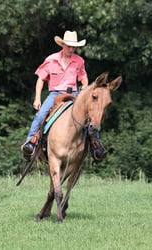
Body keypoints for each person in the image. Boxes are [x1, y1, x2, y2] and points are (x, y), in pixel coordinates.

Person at [21, 30, 107, 161]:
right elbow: (40, 79)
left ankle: (96, 145)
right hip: (55, 93)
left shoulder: (79, 61)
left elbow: (84, 78)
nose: (71, 49)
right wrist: (37, 98)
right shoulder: (51, 60)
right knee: (41, 114)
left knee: (91, 115)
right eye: (69, 46)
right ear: (63, 45)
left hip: (74, 93)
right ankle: (30, 142)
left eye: (73, 47)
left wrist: (84, 87)